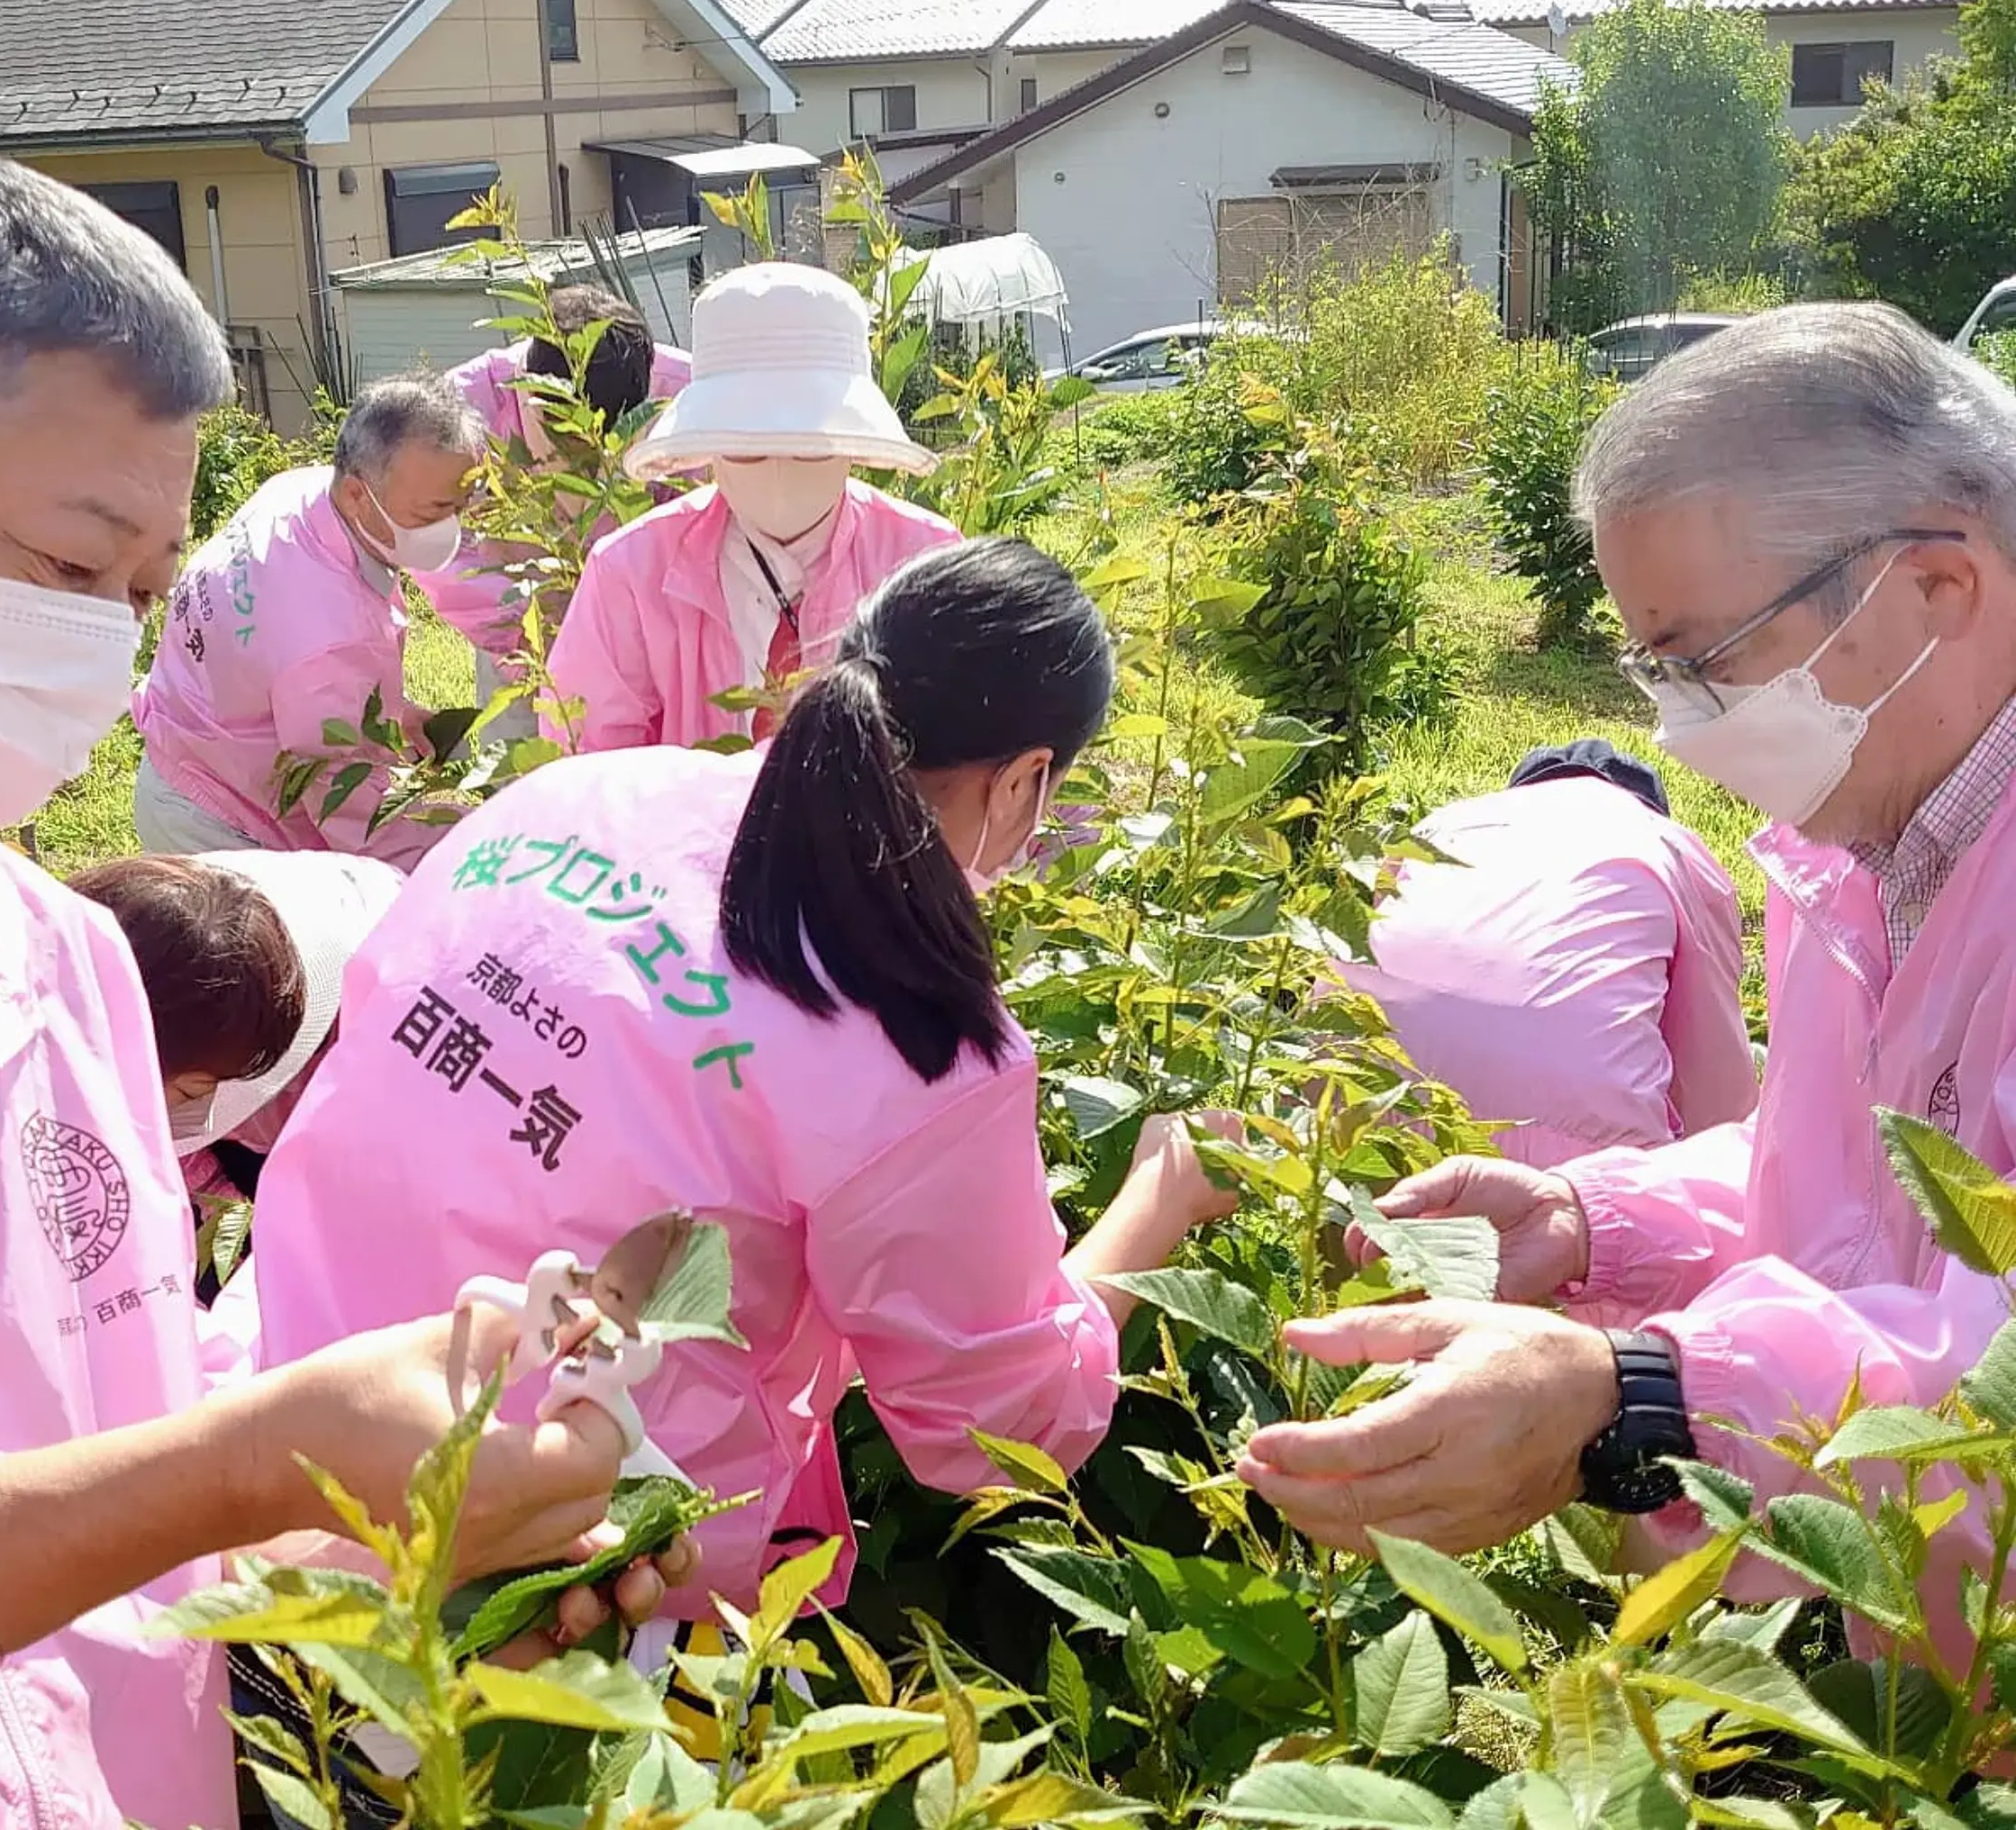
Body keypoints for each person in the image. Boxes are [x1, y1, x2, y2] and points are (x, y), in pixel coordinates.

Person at [0, 151, 667, 1829]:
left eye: (146, 593)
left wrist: (381, 1534)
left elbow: (91, 1466)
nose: (109, 653)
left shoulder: (60, 961)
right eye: (70, 569)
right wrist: (235, 1467)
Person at [253, 539, 1240, 1615]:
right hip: (534, 1549)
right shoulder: (915, 1037)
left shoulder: (588, 791)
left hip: (264, 1408)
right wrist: (1160, 1199)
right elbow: (996, 1425)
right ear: (1023, 781)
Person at [1238, 305, 2016, 1644]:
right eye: (1651, 670)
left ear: (1937, 588)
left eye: (1705, 662)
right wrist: (1599, 1220)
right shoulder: (1863, 846)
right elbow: (1868, 1180)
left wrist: (1646, 1399)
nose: (1678, 723)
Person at [543, 261, 962, 753]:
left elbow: (968, 749)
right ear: (711, 446)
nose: (780, 466)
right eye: (748, 445)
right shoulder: (630, 572)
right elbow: (588, 767)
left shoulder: (925, 561)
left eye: (811, 445)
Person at [1340, 738, 1757, 1167]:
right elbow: (1719, 1093)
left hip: (1352, 1107)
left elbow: (1372, 939)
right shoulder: (1673, 851)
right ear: (1649, 807)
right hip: (1575, 1159)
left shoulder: (1443, 823)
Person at [132, 376, 484, 868]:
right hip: (221, 823)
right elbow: (356, 815)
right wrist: (476, 836)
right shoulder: (331, 640)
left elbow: (274, 665)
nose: (453, 526)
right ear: (359, 494)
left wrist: (385, 712)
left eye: (463, 505)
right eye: (436, 511)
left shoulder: (299, 492)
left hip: (182, 754)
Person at [67, 848, 400, 1220]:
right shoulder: (157, 947)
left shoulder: (371, 1018)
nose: (198, 1105)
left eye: (194, 1093)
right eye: (190, 1092)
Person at [423, 285, 695, 738]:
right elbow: (433, 544)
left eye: (608, 439)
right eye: (572, 440)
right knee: (522, 767)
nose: (591, 461)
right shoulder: (461, 414)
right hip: (524, 645)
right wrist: (525, 625)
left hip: (649, 642)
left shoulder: (687, 396)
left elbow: (709, 518)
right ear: (535, 399)